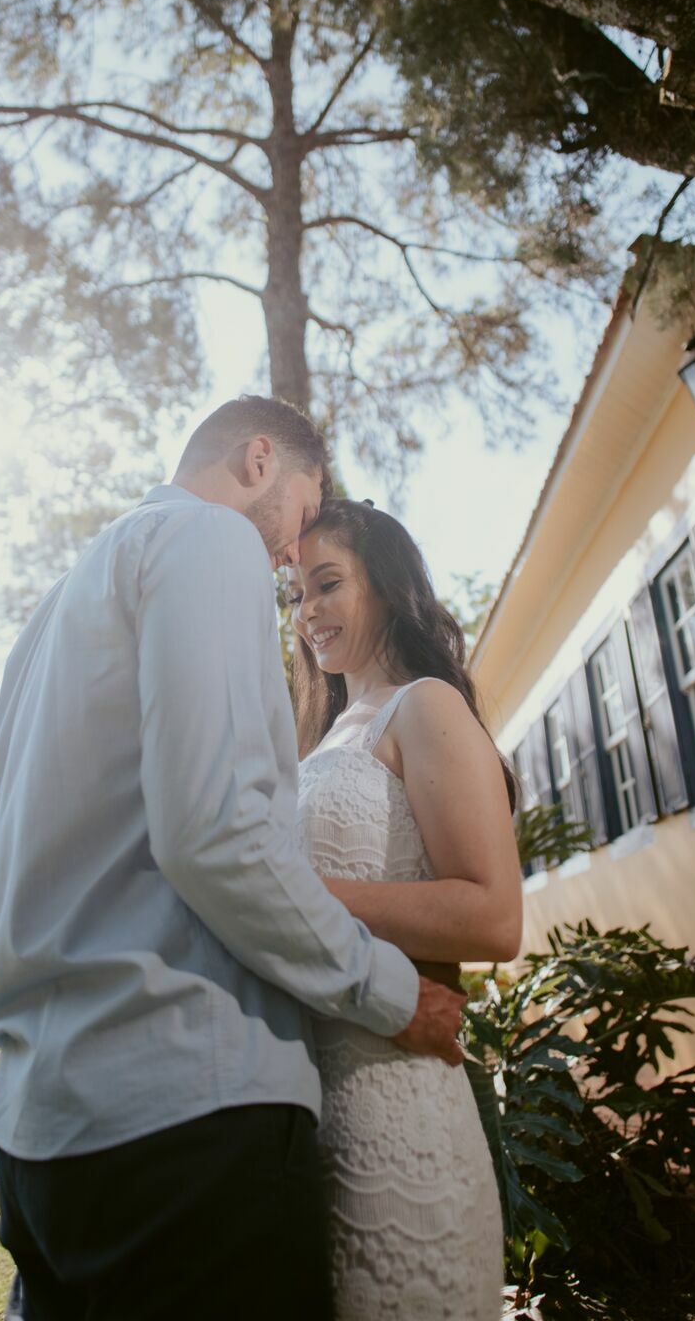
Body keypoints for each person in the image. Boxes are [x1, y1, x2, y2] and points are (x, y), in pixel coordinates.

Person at [0, 397, 467, 1321]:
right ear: (257, 461)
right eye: (299, 511)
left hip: (37, 1136)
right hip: (179, 1124)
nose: (288, 556)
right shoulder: (208, 543)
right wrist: (391, 995)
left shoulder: (57, 607)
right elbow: (221, 834)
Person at [287, 498, 522, 1321]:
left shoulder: (424, 706)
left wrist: (289, 892)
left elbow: (495, 917)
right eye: (295, 595)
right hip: (300, 1108)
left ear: (385, 586)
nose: (308, 611)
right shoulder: (321, 740)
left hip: (396, 1102)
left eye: (327, 584)